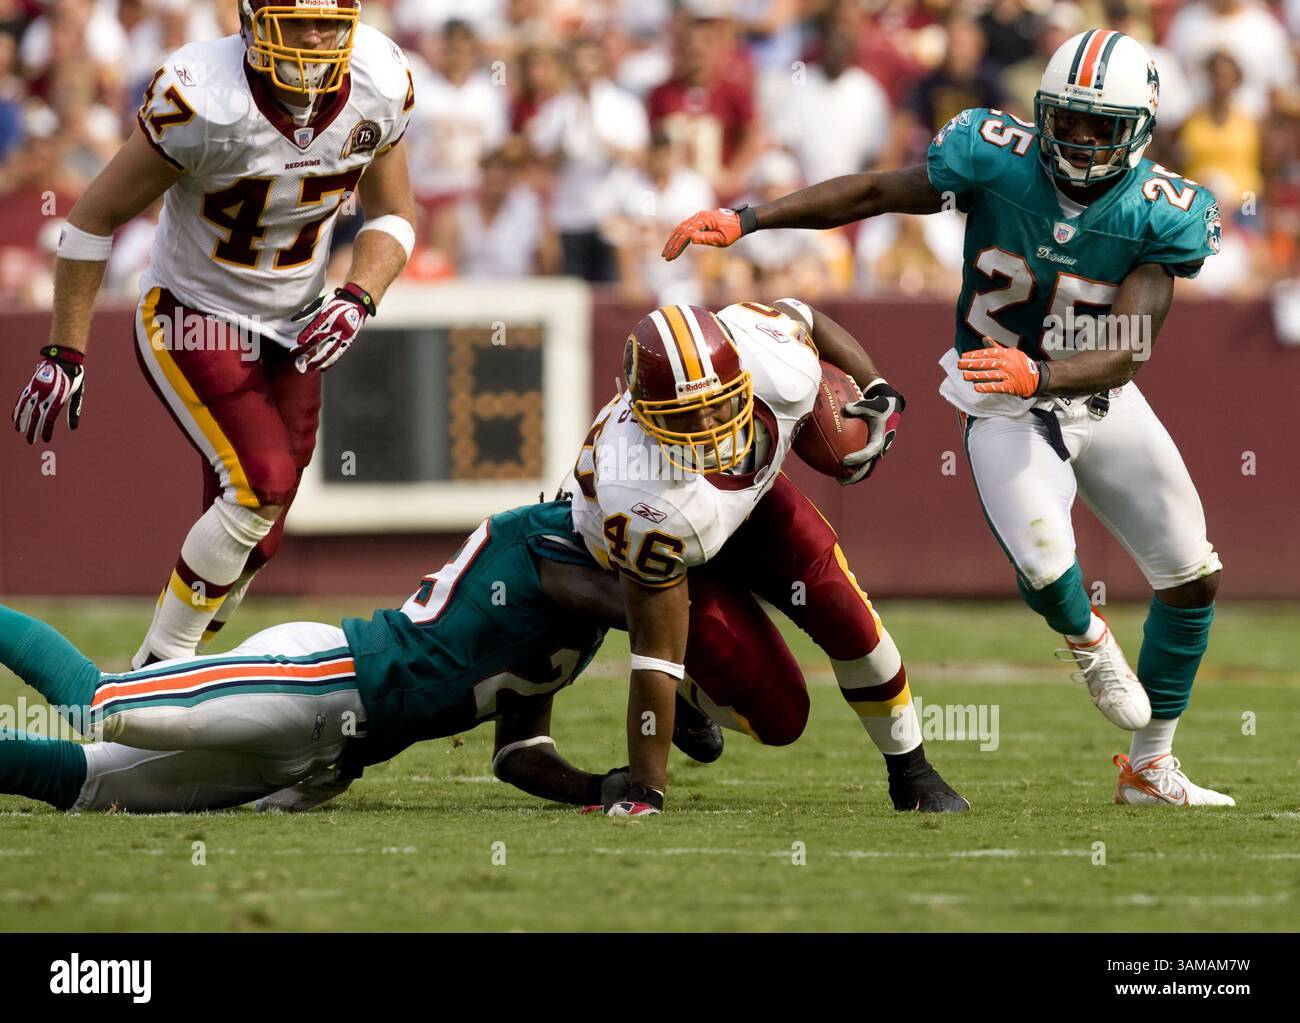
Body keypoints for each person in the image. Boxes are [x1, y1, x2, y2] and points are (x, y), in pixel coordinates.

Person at [662, 29, 1234, 807]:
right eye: (1066, 119)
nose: (1079, 138)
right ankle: (1087, 639)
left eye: (1101, 125)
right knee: (1045, 564)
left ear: (1138, 127)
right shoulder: (993, 155)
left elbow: (1129, 348)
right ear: (1043, 112)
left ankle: (1150, 766)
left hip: (1094, 394)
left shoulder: (1163, 211)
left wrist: (1045, 371)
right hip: (1001, 404)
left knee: (1192, 575)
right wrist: (749, 218)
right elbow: (873, 193)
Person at [11, 1, 420, 669]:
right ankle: (153, 674)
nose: (316, 39)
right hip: (192, 313)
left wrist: (358, 293)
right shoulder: (202, 96)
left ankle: (178, 676)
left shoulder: (378, 75)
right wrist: (64, 350)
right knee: (259, 485)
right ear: (254, 21)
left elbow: (396, 213)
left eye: (329, 22)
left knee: (261, 531)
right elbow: (91, 220)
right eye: (297, 21)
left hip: (295, 324)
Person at [564, 299, 968, 816]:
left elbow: (806, 315)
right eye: (686, 415)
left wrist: (877, 387)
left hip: (749, 504)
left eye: (720, 403)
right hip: (671, 549)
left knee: (845, 612)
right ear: (644, 416)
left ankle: (912, 772)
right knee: (780, 718)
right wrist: (646, 791)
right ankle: (694, 692)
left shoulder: (773, 358)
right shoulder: (637, 493)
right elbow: (653, 655)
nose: (710, 426)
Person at [0, 501, 632, 815]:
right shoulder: (546, 547)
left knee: (82, 785)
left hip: (326, 758)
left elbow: (517, 753)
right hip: (318, 681)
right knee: (95, 703)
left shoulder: (584, 609)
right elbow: (652, 613)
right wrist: (688, 683)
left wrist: (599, 789)